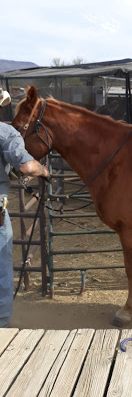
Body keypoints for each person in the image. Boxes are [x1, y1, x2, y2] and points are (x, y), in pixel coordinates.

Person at [0, 89, 50, 327]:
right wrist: (42, 170)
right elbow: (27, 168)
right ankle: (2, 326)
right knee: (2, 273)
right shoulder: (5, 132)